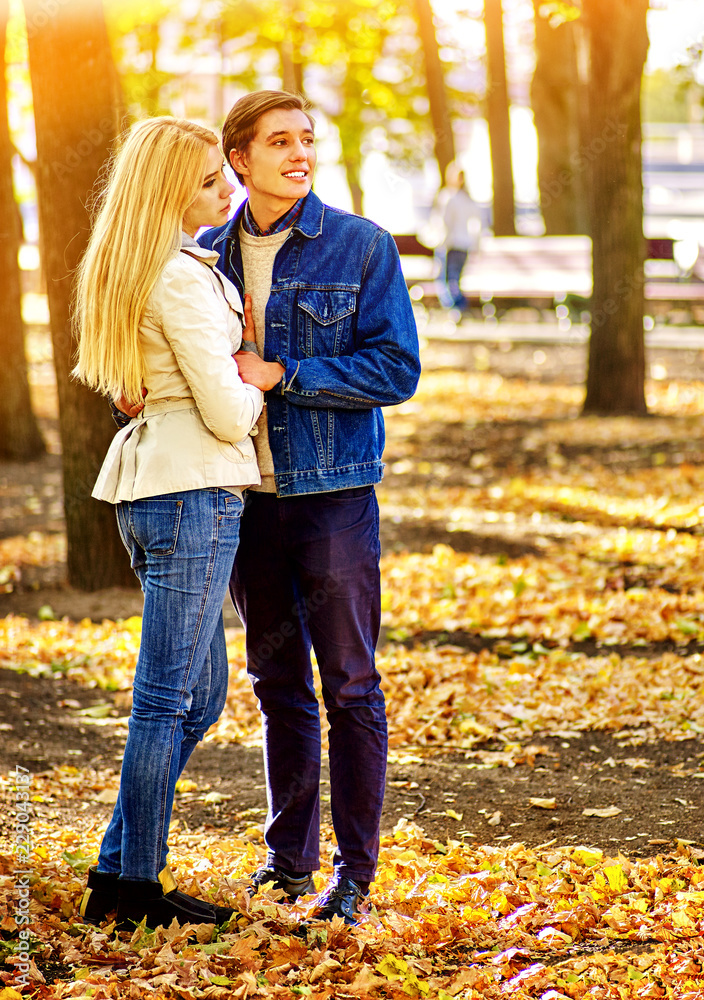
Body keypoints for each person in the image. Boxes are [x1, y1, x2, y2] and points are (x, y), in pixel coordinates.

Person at [196, 90, 421, 926]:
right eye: (279, 141)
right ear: (239, 159)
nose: (299, 153)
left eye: (307, 140)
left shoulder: (359, 246)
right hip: (242, 501)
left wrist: (286, 373)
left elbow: (395, 369)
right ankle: (287, 862)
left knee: (351, 686)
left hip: (332, 501)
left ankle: (354, 875)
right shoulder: (204, 255)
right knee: (276, 683)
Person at [73, 117, 264, 931]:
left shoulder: (150, 264)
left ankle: (118, 864)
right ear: (169, 192)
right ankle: (135, 891)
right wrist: (259, 372)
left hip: (164, 490)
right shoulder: (179, 276)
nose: (228, 191)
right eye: (211, 182)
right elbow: (226, 413)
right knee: (163, 700)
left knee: (203, 694)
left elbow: (135, 383)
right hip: (193, 491)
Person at [433, 161, 481, 318]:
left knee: (446, 281)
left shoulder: (448, 197)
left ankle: (458, 309)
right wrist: (475, 243)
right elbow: (478, 222)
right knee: (456, 280)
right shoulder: (467, 198)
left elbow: (445, 223)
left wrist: (442, 243)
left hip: (450, 244)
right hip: (464, 244)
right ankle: (459, 310)